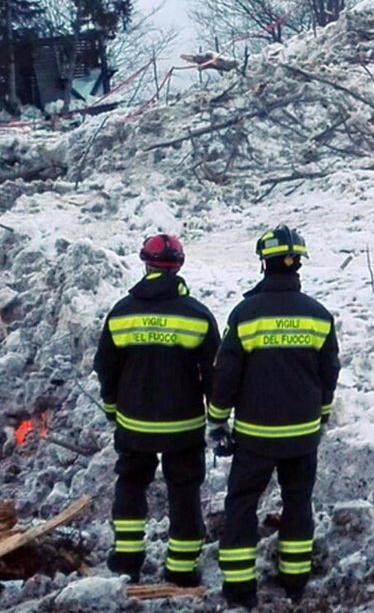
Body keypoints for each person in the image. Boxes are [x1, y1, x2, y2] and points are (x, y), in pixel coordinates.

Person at [208, 225, 339, 608]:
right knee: (299, 503)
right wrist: (322, 416)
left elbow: (226, 373)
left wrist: (217, 420)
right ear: (298, 263)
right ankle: (295, 580)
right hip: (302, 435)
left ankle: (238, 587)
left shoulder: (246, 314)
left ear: (263, 263)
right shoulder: (318, 315)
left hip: (255, 436)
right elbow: (329, 373)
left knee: (242, 504)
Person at [93, 233, 219, 586]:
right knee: (184, 492)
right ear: (178, 265)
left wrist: (112, 407)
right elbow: (214, 373)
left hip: (134, 424)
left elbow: (105, 366)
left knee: (131, 485)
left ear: (145, 263)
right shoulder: (197, 315)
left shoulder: (121, 313)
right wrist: (217, 417)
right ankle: (181, 569)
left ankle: (127, 562)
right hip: (184, 427)